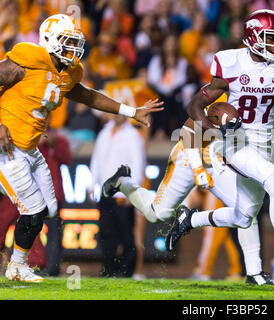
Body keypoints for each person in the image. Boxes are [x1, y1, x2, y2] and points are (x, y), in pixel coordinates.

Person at [0, 14, 163, 283]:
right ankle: (17, 266)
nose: (73, 49)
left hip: (30, 150)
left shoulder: (66, 72)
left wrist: (131, 110)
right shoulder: (26, 60)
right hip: (8, 151)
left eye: (75, 42)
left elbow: (88, 96)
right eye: (67, 42)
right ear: (49, 40)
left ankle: (18, 263)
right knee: (34, 211)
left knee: (50, 210)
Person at [165, 9, 274, 287]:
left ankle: (191, 220)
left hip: (266, 141)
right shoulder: (231, 62)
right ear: (252, 37)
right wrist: (215, 129)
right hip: (236, 139)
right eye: (270, 38)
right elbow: (195, 106)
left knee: (243, 214)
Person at [103, 116, 274, 286]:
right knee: (156, 213)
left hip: (217, 160)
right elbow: (189, 128)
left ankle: (254, 272)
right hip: (188, 157)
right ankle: (124, 183)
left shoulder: (254, 95)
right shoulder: (219, 91)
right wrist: (198, 169)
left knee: (245, 208)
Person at [90, 114, 146, 277]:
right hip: (105, 193)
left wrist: (133, 191)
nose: (117, 115)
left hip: (123, 193)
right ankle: (109, 269)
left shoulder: (133, 135)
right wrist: (92, 183)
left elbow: (138, 162)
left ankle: (127, 270)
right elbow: (97, 159)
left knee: (126, 234)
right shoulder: (104, 133)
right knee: (106, 234)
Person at [38, 127, 72, 276]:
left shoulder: (59, 138)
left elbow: (67, 158)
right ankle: (35, 264)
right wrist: (37, 143)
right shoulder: (28, 137)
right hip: (33, 193)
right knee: (30, 232)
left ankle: (53, 268)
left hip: (53, 194)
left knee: (54, 233)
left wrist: (54, 144)